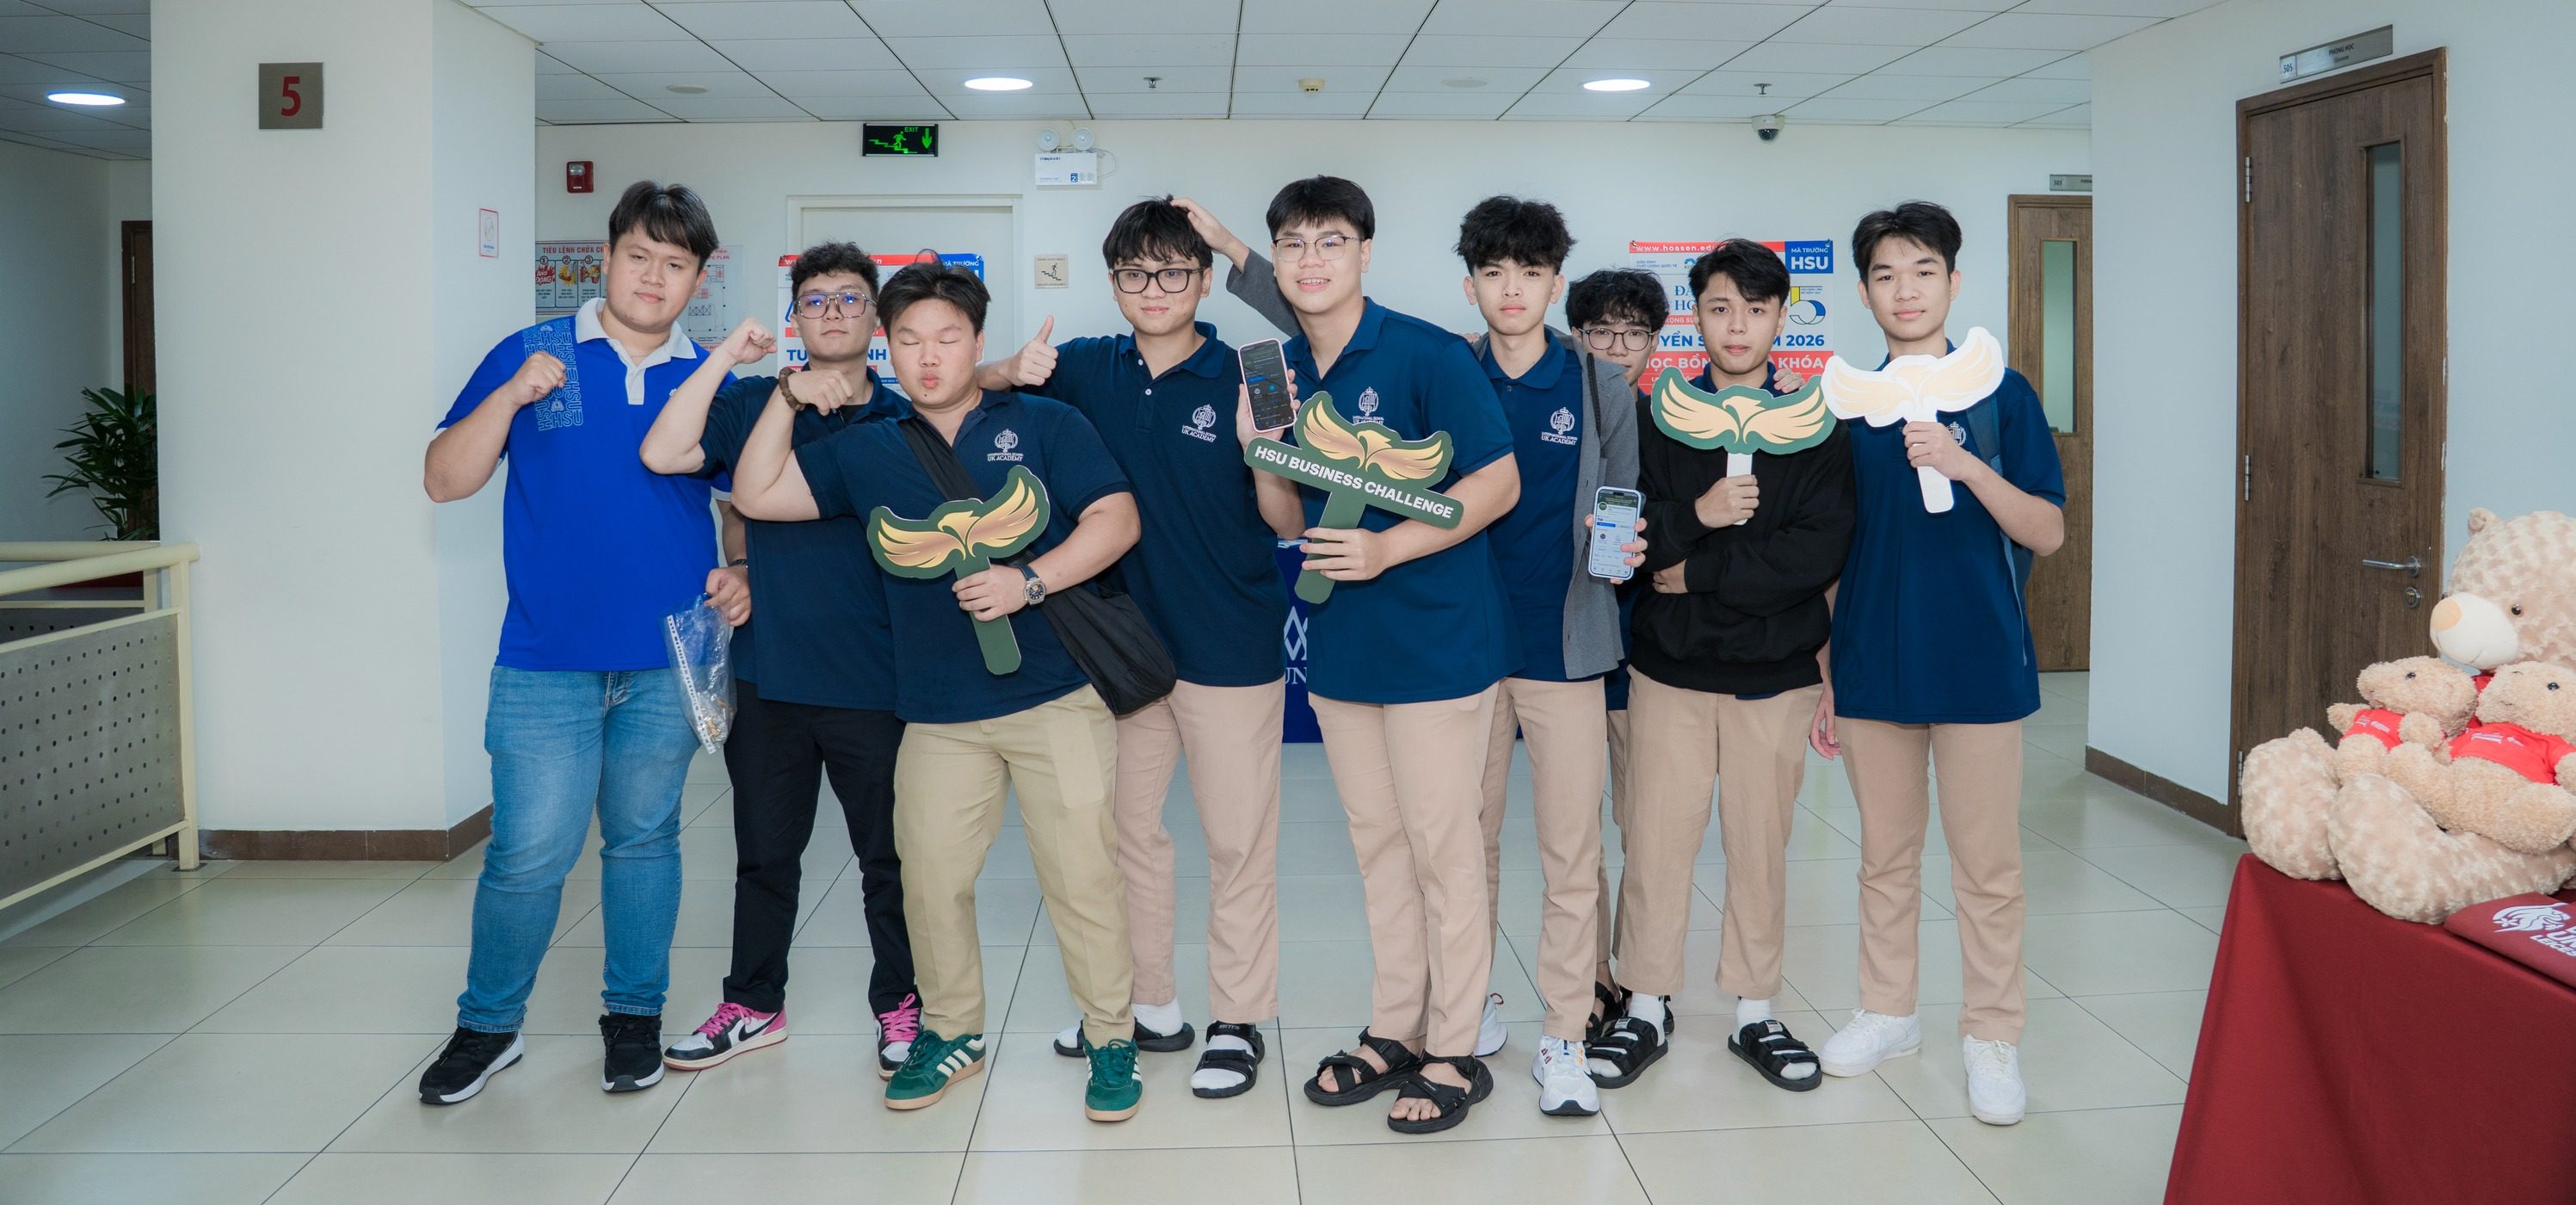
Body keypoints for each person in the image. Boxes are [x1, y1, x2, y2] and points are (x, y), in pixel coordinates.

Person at [727, 257, 1150, 1123]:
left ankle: (1112, 1038)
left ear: (977, 341)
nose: (928, 357)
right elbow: (757, 494)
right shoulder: (868, 447)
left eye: (947, 339)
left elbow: (1117, 519)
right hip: (937, 713)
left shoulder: (1045, 421)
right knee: (927, 882)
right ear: (887, 346)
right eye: (909, 340)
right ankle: (952, 1031)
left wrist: (1030, 581)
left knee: (1082, 878)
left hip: (1054, 697)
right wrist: (789, 395)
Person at [1206, 176, 1527, 1135]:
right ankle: (1396, 1028)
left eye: (1331, 242)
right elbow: (1286, 522)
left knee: (1443, 848)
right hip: (1344, 649)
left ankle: (1456, 1045)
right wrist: (1260, 449)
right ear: (1275, 259)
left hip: (1437, 644)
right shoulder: (1277, 369)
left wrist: (1390, 547)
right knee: (1379, 848)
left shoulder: (1427, 352)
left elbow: (1499, 482)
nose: (1311, 261)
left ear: (1365, 253)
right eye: (1293, 245)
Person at [416, 181, 743, 1104]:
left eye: (675, 264)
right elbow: (443, 479)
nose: (654, 278)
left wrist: (741, 570)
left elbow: (739, 501)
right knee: (528, 852)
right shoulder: (534, 353)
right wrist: (510, 397)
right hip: (545, 658)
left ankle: (633, 1018)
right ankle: (489, 1026)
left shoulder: (710, 377)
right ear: (607, 256)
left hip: (668, 656)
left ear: (698, 279)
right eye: (639, 256)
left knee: (644, 841)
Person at [980, 197, 1307, 1098]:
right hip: (1119, 649)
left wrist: (1265, 451)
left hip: (1230, 642)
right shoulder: (1085, 366)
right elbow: (965, 394)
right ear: (1114, 281)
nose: (1154, 288)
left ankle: (1238, 1019)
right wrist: (1007, 367)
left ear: (1203, 281)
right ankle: (1148, 1004)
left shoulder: (1255, 370)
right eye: (1135, 273)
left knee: (1238, 844)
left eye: (1173, 271)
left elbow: (1287, 524)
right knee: (1124, 836)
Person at [637, 242, 921, 1079]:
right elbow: (664, 452)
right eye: (816, 300)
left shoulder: (902, 420)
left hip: (876, 679)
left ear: (876, 319)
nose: (833, 312)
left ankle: (903, 1005)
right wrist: (736, 357)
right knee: (764, 856)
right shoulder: (757, 401)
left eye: (850, 298)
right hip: (771, 677)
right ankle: (754, 1003)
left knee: (891, 861)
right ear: (795, 318)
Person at [1810, 201, 2065, 1127]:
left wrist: (1965, 464)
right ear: (1864, 293)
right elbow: (1826, 556)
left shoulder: (2003, 395)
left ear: (1954, 282)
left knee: (1987, 865)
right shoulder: (1845, 408)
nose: (1905, 290)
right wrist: (1827, 673)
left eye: (1922, 271)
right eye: (1885, 275)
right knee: (1884, 857)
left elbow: (2047, 528)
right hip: (1873, 665)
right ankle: (1889, 1011)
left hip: (1980, 665)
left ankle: (1992, 1035)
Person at [1587, 240, 1853, 1095]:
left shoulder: (1817, 426)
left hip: (1776, 676)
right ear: (1695, 317)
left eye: (1756, 309)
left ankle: (1754, 1008)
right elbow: (1631, 533)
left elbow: (1814, 551)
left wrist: (1697, 570)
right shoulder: (1657, 418)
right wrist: (1697, 514)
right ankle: (1646, 1003)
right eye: (1720, 308)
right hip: (1668, 671)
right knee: (1656, 842)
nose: (1738, 326)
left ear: (1781, 319)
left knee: (1760, 846)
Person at [1448, 195, 1637, 1118]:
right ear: (1471, 285)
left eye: (1530, 271)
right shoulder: (1448, 372)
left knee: (1570, 850)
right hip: (1465, 650)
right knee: (1463, 844)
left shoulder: (1600, 384)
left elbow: (1623, 500)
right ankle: (1471, 1004)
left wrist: (1623, 549)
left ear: (1556, 283)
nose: (1512, 289)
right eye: (1493, 272)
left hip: (1566, 649)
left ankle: (1564, 1034)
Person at [1561, 266, 1668, 1039]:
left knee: (1644, 827)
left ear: (1656, 343)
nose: (1618, 346)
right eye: (1602, 331)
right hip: (1569, 654)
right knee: (1576, 833)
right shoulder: (1561, 415)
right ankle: (1592, 976)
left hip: (1647, 660)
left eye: (1635, 333)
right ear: (1578, 337)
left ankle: (1641, 976)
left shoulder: (1674, 422)